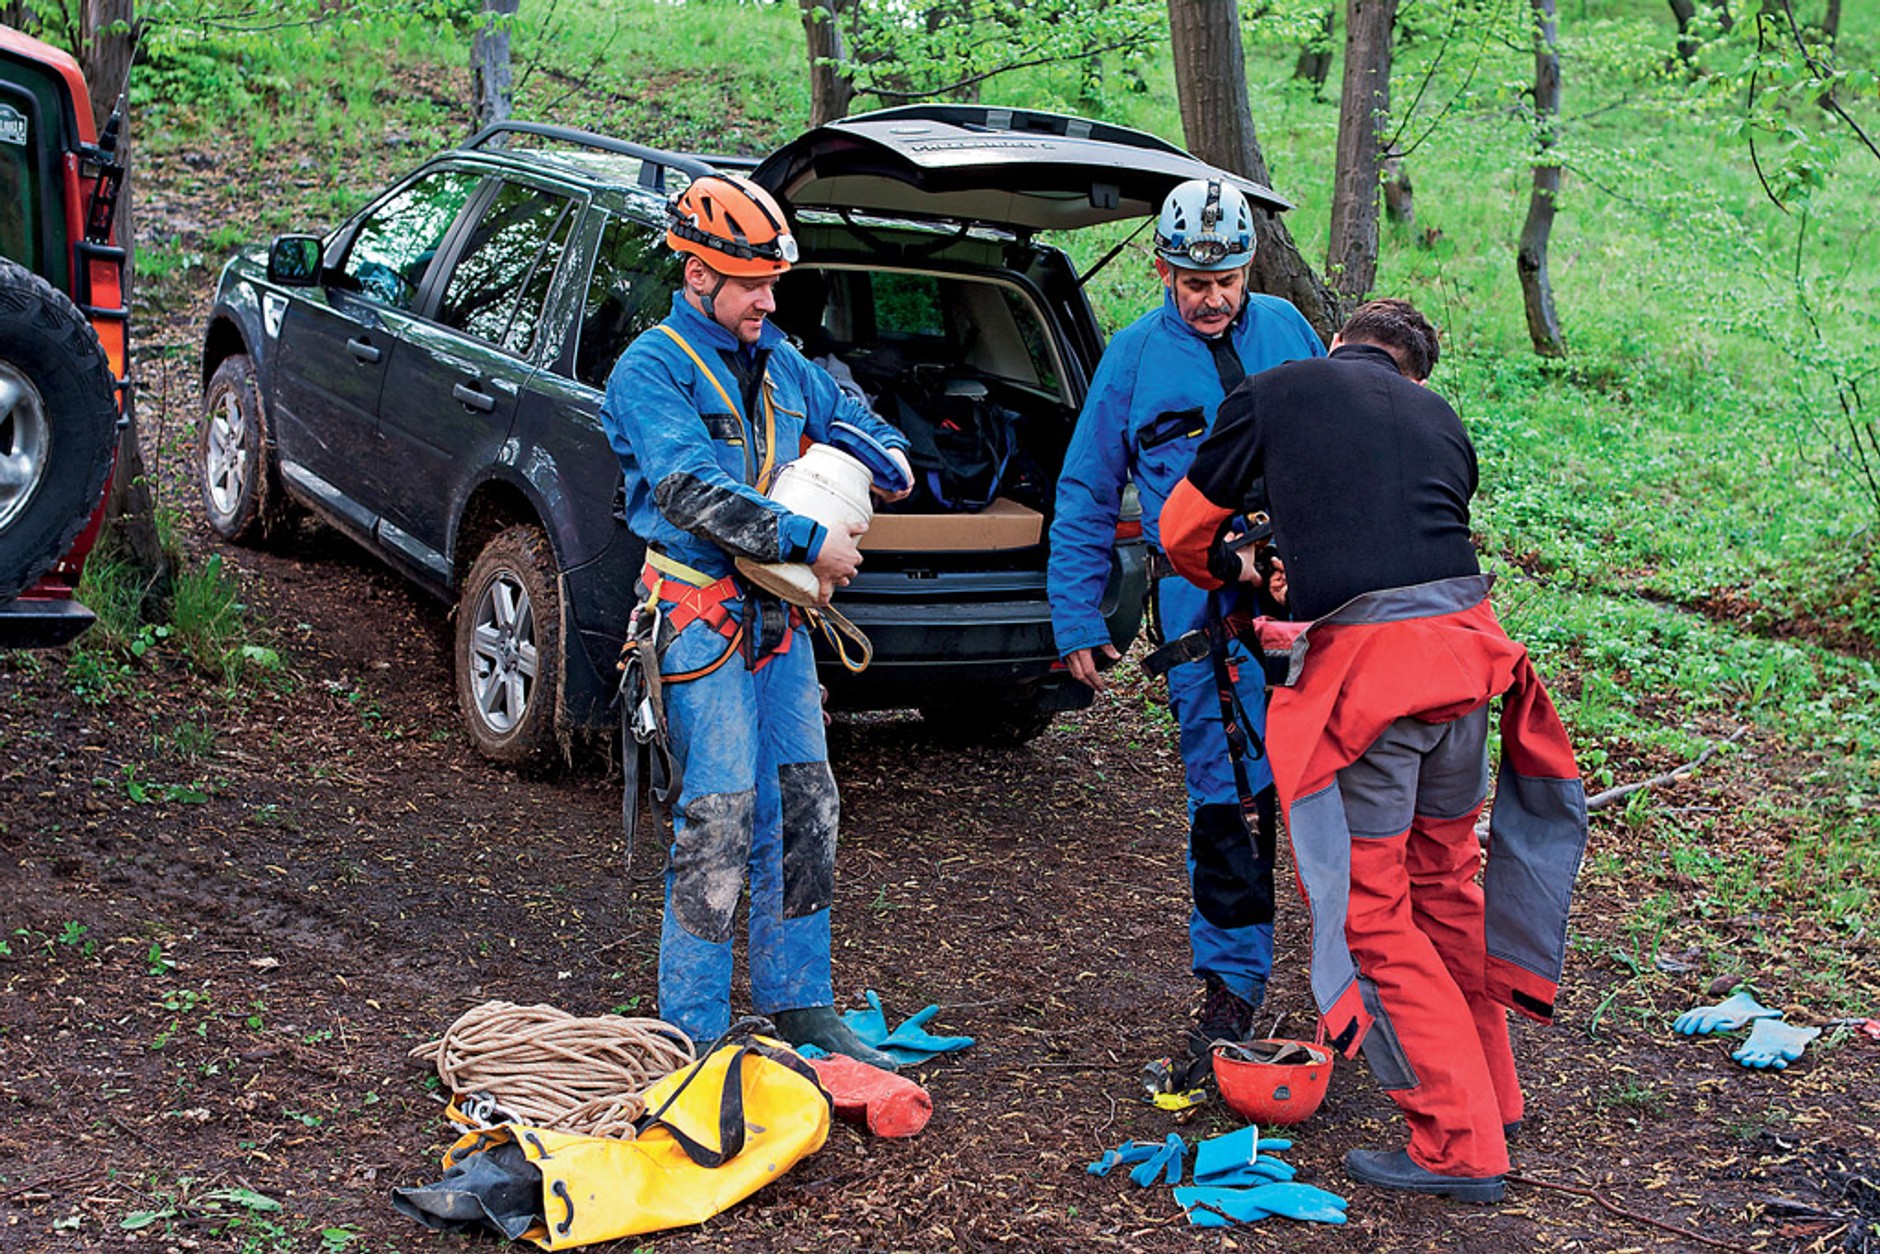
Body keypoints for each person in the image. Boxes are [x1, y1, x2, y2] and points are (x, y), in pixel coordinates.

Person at [1159, 298, 1589, 1202]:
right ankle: (1492, 1096)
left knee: (1373, 915)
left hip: (1375, 692)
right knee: (1441, 885)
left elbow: (1181, 535)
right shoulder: (1440, 420)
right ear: (1412, 373)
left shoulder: (1277, 390)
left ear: (1336, 344)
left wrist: (1242, 571)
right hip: (1471, 671)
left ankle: (1457, 1144)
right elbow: (1398, 543)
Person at [601, 173, 913, 1067]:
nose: (768, 301)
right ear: (699, 275)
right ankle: (691, 1028)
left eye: (773, 284)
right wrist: (814, 540)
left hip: (781, 625)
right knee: (722, 813)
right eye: (752, 285)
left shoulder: (783, 361)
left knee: (809, 805)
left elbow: (865, 425)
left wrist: (875, 459)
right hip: (698, 619)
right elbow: (689, 487)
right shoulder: (650, 368)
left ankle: (799, 1004)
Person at [1047, 178, 1325, 1064]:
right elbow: (1088, 490)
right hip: (1201, 607)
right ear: (1163, 268)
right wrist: (1077, 617)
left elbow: (1347, 443)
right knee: (1228, 795)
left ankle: (1359, 985)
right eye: (1195, 282)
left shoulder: (1288, 330)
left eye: (1229, 280)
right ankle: (1233, 985)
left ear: (1250, 270)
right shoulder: (1131, 359)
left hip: (1309, 591)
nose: (1213, 299)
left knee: (1336, 786)